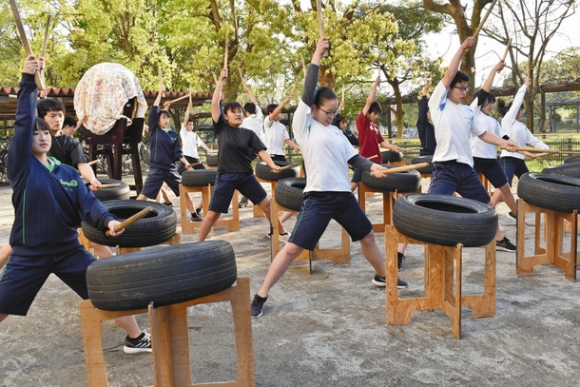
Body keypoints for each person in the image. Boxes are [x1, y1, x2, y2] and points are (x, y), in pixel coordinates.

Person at [0, 55, 151, 354]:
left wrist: (107, 220)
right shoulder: (22, 168)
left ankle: (136, 338)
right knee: (2, 305)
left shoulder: (67, 172)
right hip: (30, 252)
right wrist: (27, 79)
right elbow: (23, 121)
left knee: (104, 290)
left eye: (45, 131)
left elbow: (89, 204)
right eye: (35, 132)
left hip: (68, 250)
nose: (41, 136)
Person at [250, 38, 407, 319]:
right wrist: (316, 56)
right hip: (319, 198)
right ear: (313, 108)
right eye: (328, 112)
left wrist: (374, 169)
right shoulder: (305, 125)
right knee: (293, 249)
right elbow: (308, 89)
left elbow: (355, 159)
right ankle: (261, 293)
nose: (332, 116)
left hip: (343, 197)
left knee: (368, 235)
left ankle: (383, 276)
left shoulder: (336, 132)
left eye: (335, 112)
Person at [426, 37, 518, 252]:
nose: (464, 91)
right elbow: (449, 74)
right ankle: (400, 252)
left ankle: (499, 240)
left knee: (487, 208)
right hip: (445, 168)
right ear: (449, 88)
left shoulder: (468, 111)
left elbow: (484, 134)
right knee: (428, 209)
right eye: (460, 87)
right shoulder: (439, 103)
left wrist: (505, 144)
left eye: (467, 88)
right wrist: (462, 48)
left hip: (466, 170)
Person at [196, 67, 287, 242]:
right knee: (213, 214)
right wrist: (221, 80)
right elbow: (214, 104)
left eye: (239, 112)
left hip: (246, 176)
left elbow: (261, 151)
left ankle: (282, 233)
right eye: (233, 112)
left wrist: (272, 165)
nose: (237, 114)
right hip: (226, 177)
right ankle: (197, 244)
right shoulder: (222, 128)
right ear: (225, 116)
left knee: (267, 205)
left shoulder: (248, 134)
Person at [136, 85, 198, 222]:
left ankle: (194, 215)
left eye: (167, 118)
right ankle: (130, 216)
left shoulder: (174, 134)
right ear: (158, 120)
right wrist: (160, 93)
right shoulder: (154, 130)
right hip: (156, 169)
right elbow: (154, 110)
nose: (166, 119)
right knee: (143, 196)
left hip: (170, 169)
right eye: (163, 117)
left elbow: (178, 152)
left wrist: (185, 162)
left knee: (184, 191)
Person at [470, 60, 518, 222]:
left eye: (491, 103)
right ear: (481, 103)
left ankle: (517, 214)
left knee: (505, 188)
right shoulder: (473, 113)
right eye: (487, 102)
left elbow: (505, 138)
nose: (490, 105)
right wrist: (494, 70)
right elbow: (484, 90)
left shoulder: (494, 122)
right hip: (474, 159)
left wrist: (522, 150)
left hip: (491, 160)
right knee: (466, 187)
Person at [491, 78, 549, 209]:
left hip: (519, 160)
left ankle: (524, 208)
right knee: (504, 183)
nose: (522, 112)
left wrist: (547, 149)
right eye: (521, 109)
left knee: (527, 183)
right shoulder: (507, 121)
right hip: (508, 158)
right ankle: (491, 208)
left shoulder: (522, 127)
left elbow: (533, 141)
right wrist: (524, 86)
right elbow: (517, 102)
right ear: (516, 110)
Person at [350, 76, 402, 192]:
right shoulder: (361, 122)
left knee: (388, 187)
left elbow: (382, 143)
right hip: (364, 160)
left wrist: (393, 147)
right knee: (354, 185)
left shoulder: (376, 127)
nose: (376, 116)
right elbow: (369, 102)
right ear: (368, 112)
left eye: (377, 114)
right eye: (374, 113)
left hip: (377, 161)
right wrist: (375, 85)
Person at [177, 100, 214, 221]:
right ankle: (168, 185)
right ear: (185, 126)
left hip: (196, 159)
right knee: (177, 176)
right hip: (186, 157)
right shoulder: (184, 133)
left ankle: (198, 210)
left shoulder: (195, 134)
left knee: (207, 178)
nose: (190, 126)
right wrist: (188, 108)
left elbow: (201, 143)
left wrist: (208, 149)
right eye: (188, 125)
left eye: (191, 125)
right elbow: (186, 118)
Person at [239, 83, 266, 208]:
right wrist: (248, 91)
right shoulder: (260, 116)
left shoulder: (244, 122)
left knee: (245, 169)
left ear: (246, 112)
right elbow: (254, 102)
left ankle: (245, 196)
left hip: (250, 149)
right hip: (262, 147)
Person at [264, 96, 300, 162]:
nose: (280, 114)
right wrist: (284, 102)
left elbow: (287, 140)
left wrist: (295, 146)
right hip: (271, 154)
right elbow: (274, 114)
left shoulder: (282, 127)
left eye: (280, 112)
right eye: (278, 112)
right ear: (270, 113)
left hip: (281, 155)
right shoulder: (268, 122)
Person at [417, 83, 436, 156]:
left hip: (436, 155)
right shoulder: (422, 125)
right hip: (426, 154)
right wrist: (425, 92)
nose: (431, 114)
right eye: (429, 112)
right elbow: (422, 110)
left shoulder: (434, 126)